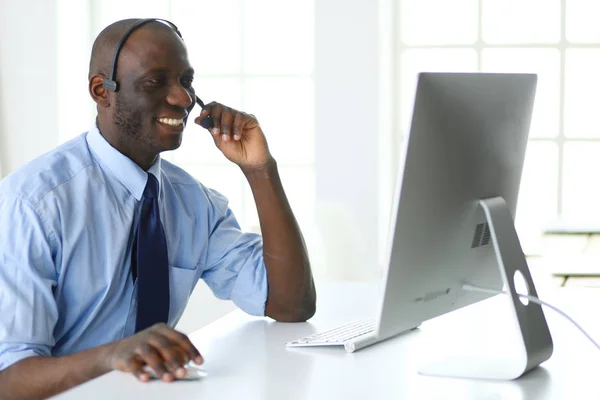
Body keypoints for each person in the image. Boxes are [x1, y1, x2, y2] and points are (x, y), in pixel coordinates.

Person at [0, 18, 316, 399]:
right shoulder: (33, 204)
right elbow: (10, 379)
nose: (182, 99)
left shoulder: (194, 203)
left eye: (186, 81)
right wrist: (112, 357)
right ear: (102, 91)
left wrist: (260, 171)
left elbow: (290, 303)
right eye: (155, 82)